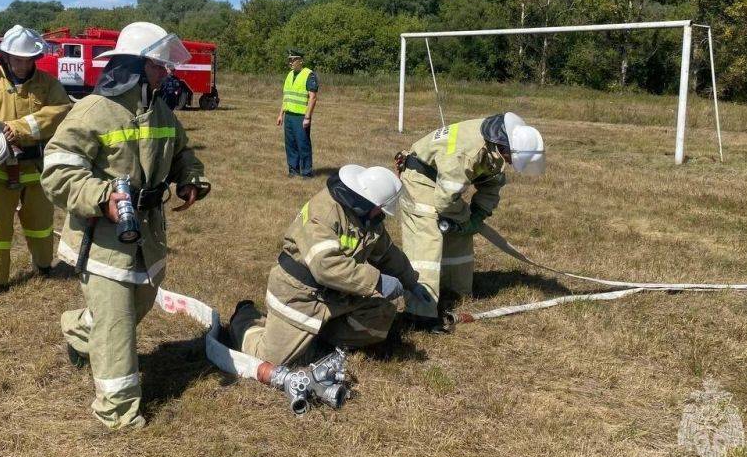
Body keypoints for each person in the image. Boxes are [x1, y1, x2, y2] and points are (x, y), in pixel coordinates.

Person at [41, 21, 210, 430]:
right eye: (158, 65)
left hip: (147, 234)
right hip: (102, 240)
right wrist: (101, 198)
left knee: (137, 304)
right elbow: (57, 171)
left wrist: (189, 178)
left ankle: (79, 330)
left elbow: (182, 150)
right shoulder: (93, 110)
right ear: (135, 66)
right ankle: (117, 411)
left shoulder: (160, 110)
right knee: (117, 324)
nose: (166, 72)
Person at [228, 165, 431, 366]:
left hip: (340, 292)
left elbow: (387, 254)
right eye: (380, 208)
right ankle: (244, 317)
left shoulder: (368, 218)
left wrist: (411, 282)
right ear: (368, 201)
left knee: (383, 311)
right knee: (270, 359)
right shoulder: (323, 213)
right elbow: (326, 267)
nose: (382, 214)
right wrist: (377, 281)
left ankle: (326, 337)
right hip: (301, 293)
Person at [397, 113, 545, 326]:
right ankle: (420, 314)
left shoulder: (496, 145)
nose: (511, 164)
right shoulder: (468, 153)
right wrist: (466, 218)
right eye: (512, 159)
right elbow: (445, 200)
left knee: (459, 233)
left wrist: (478, 215)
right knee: (427, 241)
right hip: (420, 179)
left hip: (442, 181)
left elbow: (491, 184)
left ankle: (456, 292)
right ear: (505, 148)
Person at [0, 26, 71, 299]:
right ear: (6, 57)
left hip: (37, 166)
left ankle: (44, 265)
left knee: (40, 221)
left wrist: (21, 127)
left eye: (28, 59)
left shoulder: (48, 85)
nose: (23, 65)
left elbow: (61, 112)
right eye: (18, 59)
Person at [276, 49, 318, 178]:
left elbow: (313, 97)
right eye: (289, 60)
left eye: (293, 60)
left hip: (300, 117)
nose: (291, 62)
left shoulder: (309, 75)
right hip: (289, 116)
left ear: (301, 60)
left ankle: (306, 172)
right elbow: (286, 97)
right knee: (290, 144)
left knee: (303, 144)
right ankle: (293, 170)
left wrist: (307, 117)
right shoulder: (289, 75)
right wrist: (280, 114)